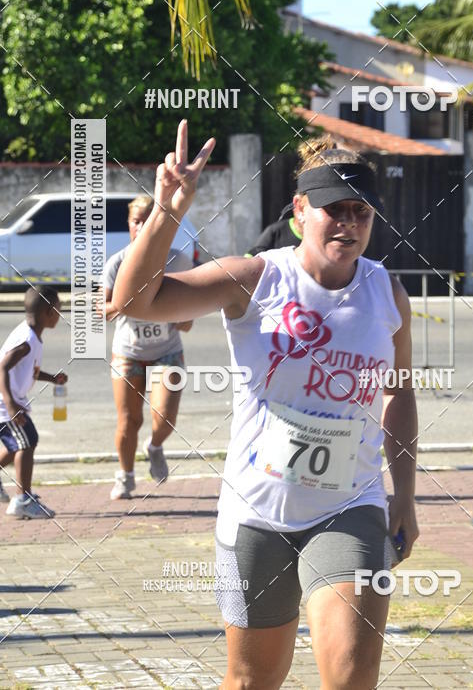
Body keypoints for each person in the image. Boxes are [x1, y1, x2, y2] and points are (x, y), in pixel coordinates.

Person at [112, 121, 419, 689]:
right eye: (335, 209)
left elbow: (398, 390)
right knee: (252, 680)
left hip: (350, 506)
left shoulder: (387, 292)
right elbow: (133, 301)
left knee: (353, 675)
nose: (349, 223)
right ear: (300, 210)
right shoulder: (256, 278)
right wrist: (168, 212)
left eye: (362, 212)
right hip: (255, 511)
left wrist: (405, 493)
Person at [104, 194, 193, 501]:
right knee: (130, 420)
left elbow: (189, 315)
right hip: (129, 351)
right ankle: (126, 477)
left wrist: (183, 318)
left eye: (147, 220)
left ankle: (154, 446)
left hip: (168, 349)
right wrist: (120, 305)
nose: (141, 227)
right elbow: (102, 309)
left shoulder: (179, 260)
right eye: (136, 221)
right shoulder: (117, 262)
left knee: (165, 417)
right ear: (129, 225)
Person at [0, 286, 67, 519]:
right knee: (27, 441)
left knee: (16, 444)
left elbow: (29, 371)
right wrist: (9, 404)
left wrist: (52, 378)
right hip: (4, 402)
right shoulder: (27, 340)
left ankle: (22, 497)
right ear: (48, 313)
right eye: (59, 309)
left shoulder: (32, 336)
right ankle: (22, 500)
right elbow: (3, 367)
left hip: (9, 400)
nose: (60, 314)